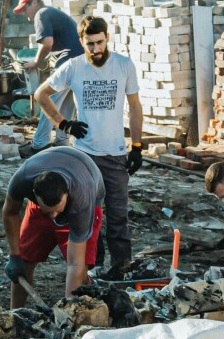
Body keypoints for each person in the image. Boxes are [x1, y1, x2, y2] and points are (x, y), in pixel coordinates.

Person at [33, 15, 143, 278]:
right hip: (84, 156)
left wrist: (137, 146)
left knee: (118, 218)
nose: (96, 49)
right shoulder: (73, 67)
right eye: (90, 44)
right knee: (88, 216)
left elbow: (135, 107)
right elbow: (41, 94)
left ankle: (120, 273)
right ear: (81, 42)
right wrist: (63, 124)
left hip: (115, 155)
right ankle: (91, 270)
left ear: (107, 38)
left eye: (100, 42)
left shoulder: (124, 65)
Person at [2, 146, 105, 306]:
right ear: (34, 194)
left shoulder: (81, 200)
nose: (54, 217)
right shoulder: (23, 179)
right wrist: (14, 256)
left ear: (66, 194)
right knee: (24, 260)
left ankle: (87, 294)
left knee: (80, 269)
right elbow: (9, 212)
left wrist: (68, 312)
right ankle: (14, 313)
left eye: (57, 211)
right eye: (49, 212)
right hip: (43, 202)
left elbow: (74, 263)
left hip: (86, 192)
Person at [14, 0, 81, 157]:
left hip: (68, 61)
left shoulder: (41, 14)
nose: (25, 15)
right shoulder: (54, 12)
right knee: (67, 105)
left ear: (34, 3)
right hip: (80, 62)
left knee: (47, 101)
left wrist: (36, 62)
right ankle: (62, 142)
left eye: (24, 9)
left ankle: (39, 144)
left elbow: (47, 43)